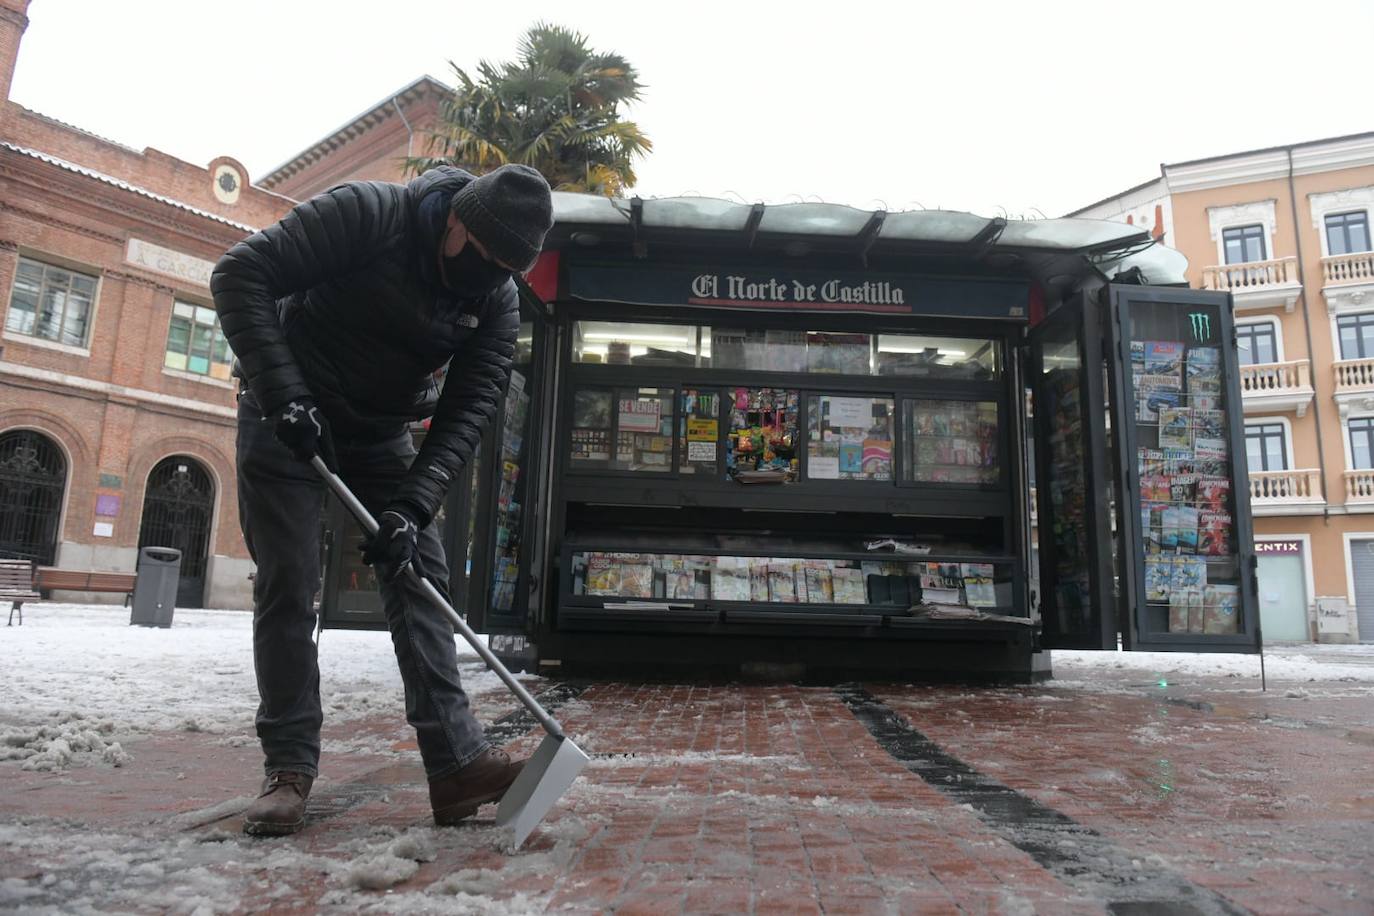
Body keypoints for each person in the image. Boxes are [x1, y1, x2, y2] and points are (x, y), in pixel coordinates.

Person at [211, 163, 554, 837]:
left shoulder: (496, 297)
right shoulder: (368, 215)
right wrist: (285, 397)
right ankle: (288, 770)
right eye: (485, 262)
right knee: (289, 583)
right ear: (457, 220)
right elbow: (239, 275)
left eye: (506, 272)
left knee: (420, 575)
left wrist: (412, 508)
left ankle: (456, 764)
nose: (489, 282)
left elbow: (467, 411)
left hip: (379, 431)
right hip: (286, 412)